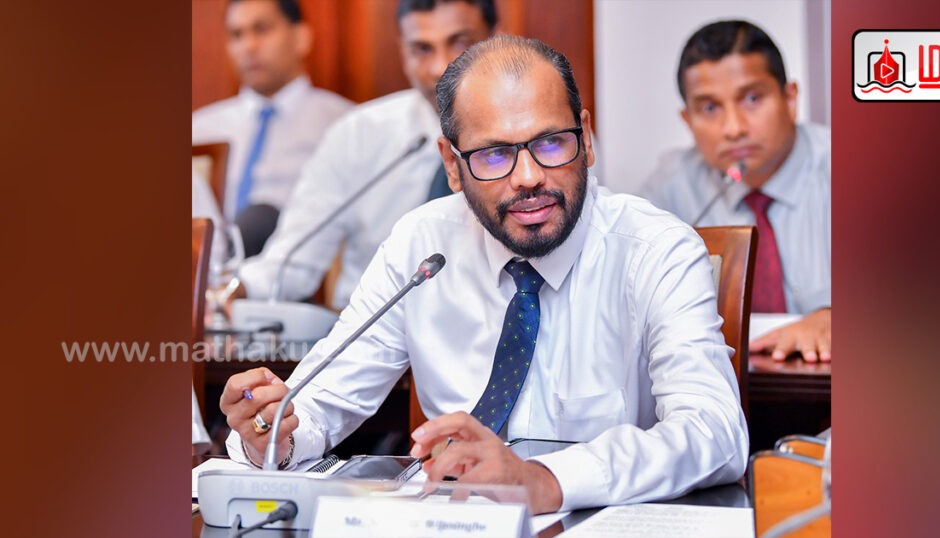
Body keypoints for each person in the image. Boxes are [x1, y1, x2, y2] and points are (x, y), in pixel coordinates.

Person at [220, 35, 747, 514]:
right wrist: (275, 432)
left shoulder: (656, 250)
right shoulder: (420, 248)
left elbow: (714, 431)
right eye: (494, 154)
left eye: (551, 143)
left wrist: (546, 481)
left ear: (586, 138)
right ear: (452, 166)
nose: (529, 177)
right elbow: (319, 402)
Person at [229, 0, 498, 309]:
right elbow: (292, 260)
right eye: (422, 49)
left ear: (495, 39)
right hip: (370, 327)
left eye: (460, 43)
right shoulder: (357, 134)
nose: (440, 67)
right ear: (402, 52)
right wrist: (229, 290)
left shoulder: (531, 138)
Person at [641, 20, 831, 362]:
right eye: (710, 108)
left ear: (790, 99)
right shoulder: (670, 190)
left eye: (752, 99)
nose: (733, 129)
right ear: (688, 120)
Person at [192, 0, 353, 254]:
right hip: (210, 266)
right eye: (237, 35)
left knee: (260, 218)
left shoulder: (344, 124)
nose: (249, 46)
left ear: (300, 38)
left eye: (262, 29)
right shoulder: (199, 130)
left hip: (302, 266)